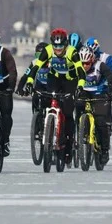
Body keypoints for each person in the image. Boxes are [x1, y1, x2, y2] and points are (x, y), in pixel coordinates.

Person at [20, 28, 86, 163]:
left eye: (61, 46)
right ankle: (47, 128)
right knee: (48, 99)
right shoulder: (48, 50)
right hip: (54, 78)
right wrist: (29, 82)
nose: (58, 49)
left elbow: (81, 71)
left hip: (70, 80)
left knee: (67, 113)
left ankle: (68, 146)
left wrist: (80, 86)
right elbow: (35, 68)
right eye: (55, 46)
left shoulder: (72, 52)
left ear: (66, 44)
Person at [77, 46, 112, 162]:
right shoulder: (76, 67)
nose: (85, 66)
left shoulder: (100, 65)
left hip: (99, 93)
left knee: (101, 121)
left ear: (92, 60)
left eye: (87, 63)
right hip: (84, 93)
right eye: (82, 63)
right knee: (76, 112)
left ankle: (104, 150)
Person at [18, 41, 50, 139]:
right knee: (35, 99)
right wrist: (19, 88)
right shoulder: (35, 63)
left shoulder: (52, 63)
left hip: (51, 86)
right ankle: (37, 125)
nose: (40, 58)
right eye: (37, 55)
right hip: (40, 86)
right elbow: (25, 76)